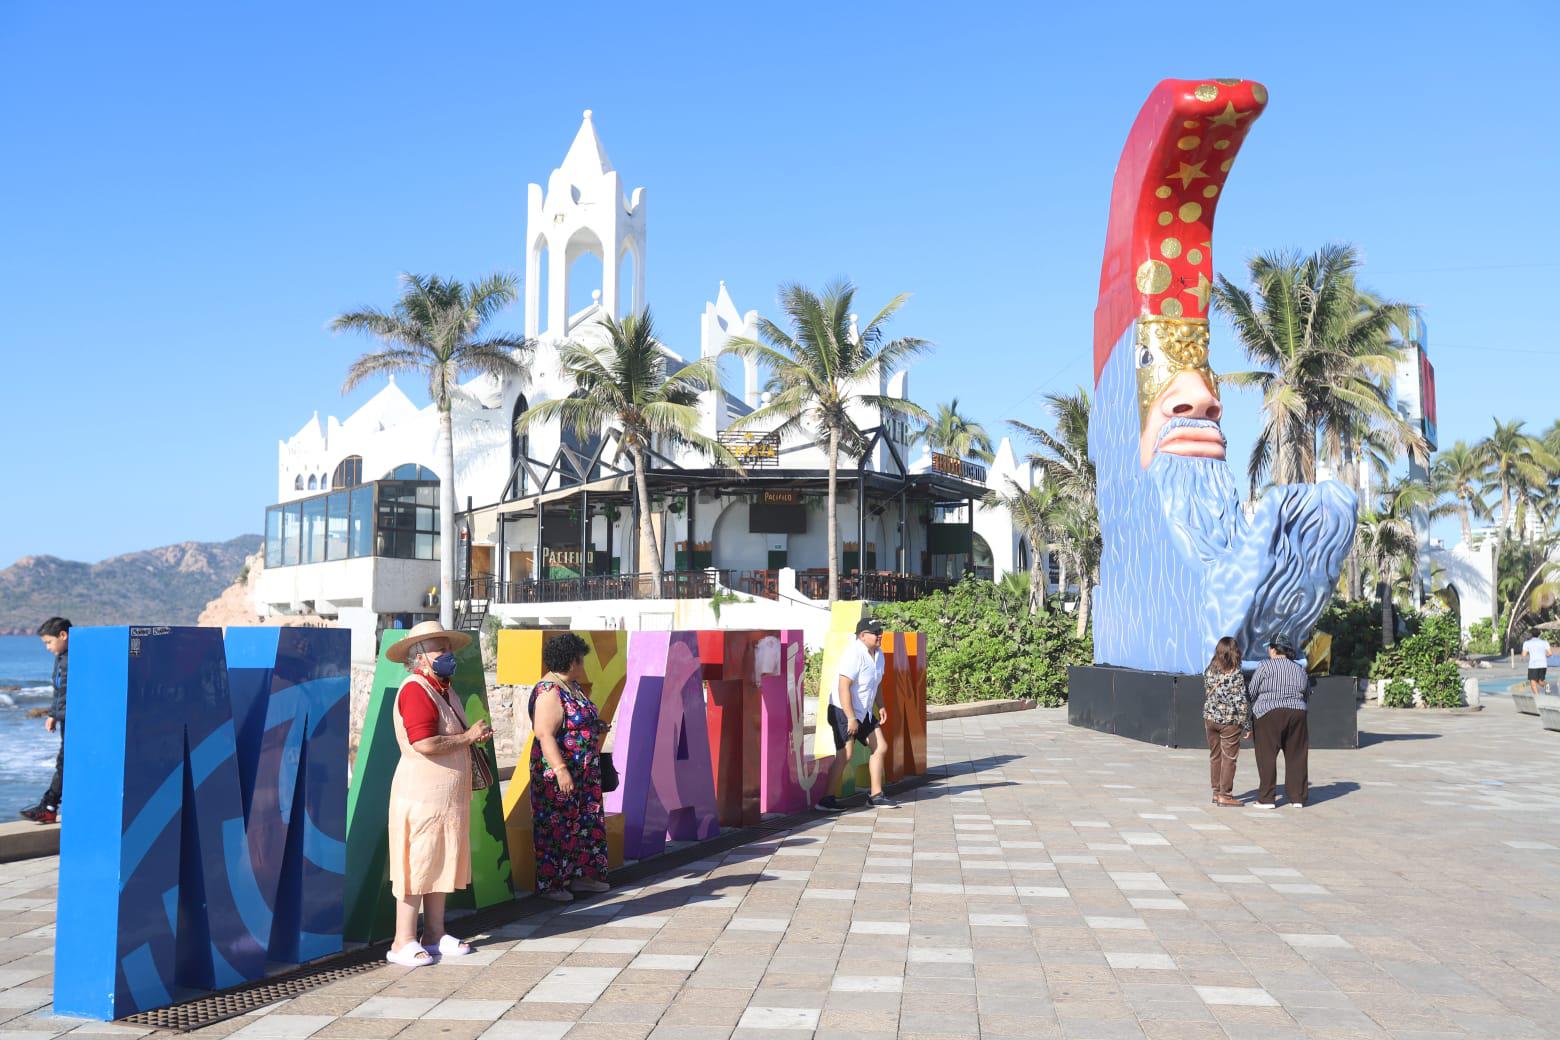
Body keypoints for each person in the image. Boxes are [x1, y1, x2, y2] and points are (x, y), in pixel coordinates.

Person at [384, 620, 492, 967]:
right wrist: (467, 738)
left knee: (439, 860)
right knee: (417, 864)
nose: (447, 655)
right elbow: (425, 743)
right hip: (422, 795)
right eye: (439, 649)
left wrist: (468, 737)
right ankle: (403, 940)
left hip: (445, 799)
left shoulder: (443, 689)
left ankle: (433, 933)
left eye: (447, 648)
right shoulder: (416, 689)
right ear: (419, 657)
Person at [529, 633, 611, 903]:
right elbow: (545, 733)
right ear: (571, 660)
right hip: (562, 773)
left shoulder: (571, 686)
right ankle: (553, 884)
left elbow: (576, 722)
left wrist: (596, 728)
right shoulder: (549, 690)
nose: (584, 663)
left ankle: (580, 876)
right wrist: (561, 769)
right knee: (558, 827)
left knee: (582, 824)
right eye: (581, 658)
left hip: (584, 773)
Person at [817, 617, 893, 812]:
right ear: (862, 635)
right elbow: (844, 687)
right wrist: (851, 717)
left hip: (864, 711)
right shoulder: (853, 653)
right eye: (875, 632)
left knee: (880, 747)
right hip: (843, 710)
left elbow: (877, 683)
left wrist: (881, 706)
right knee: (846, 754)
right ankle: (826, 800)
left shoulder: (879, 654)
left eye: (880, 631)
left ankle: (876, 795)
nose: (879, 635)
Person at [1247, 635, 1310, 809]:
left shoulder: (1265, 666)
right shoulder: (1299, 669)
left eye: (1269, 648)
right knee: (1296, 755)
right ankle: (1297, 797)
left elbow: (1251, 692)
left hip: (1268, 713)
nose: (1268, 651)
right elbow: (1307, 692)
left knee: (1266, 754)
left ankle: (1267, 799)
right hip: (1297, 712)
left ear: (1274, 649)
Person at [21, 618, 71, 824]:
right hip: (66, 719)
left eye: (49, 642)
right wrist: (52, 714)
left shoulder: (75, 658)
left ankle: (49, 807)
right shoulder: (62, 657)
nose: (47, 648)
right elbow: (59, 690)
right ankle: (50, 806)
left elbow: (70, 692)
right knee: (65, 762)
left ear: (63, 635)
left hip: (77, 721)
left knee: (65, 762)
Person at [1202, 636, 1250, 808]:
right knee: (1229, 758)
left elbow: (1208, 689)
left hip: (1210, 718)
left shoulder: (1210, 669)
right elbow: (1240, 701)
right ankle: (1225, 795)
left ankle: (1216, 792)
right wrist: (1247, 725)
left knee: (1215, 756)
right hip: (1229, 721)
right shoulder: (1235, 673)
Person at [1521, 629, 1552, 698]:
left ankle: (1538, 698)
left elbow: (1524, 654)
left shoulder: (1527, 643)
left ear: (1531, 635)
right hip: (1543, 664)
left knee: (1533, 684)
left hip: (1533, 665)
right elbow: (1550, 653)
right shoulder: (1544, 642)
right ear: (1539, 634)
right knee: (1540, 681)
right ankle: (1546, 685)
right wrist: (1543, 656)